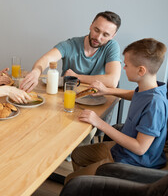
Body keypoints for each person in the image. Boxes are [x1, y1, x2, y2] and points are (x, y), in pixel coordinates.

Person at [65, 38, 168, 183]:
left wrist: (99, 123)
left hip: (133, 162)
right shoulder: (150, 88)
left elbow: (140, 148)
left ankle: (86, 185)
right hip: (121, 150)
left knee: (71, 181)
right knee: (78, 154)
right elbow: (135, 95)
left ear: (141, 70)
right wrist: (107, 90)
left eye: (126, 65)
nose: (123, 68)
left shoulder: (155, 104)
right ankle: (92, 187)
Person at [20, 11, 122, 92]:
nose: (98, 37)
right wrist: (35, 72)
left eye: (105, 35)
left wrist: (76, 77)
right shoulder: (70, 45)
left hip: (97, 99)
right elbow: (47, 59)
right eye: (96, 30)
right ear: (91, 26)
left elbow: (112, 81)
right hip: (68, 96)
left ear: (112, 36)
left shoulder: (111, 47)